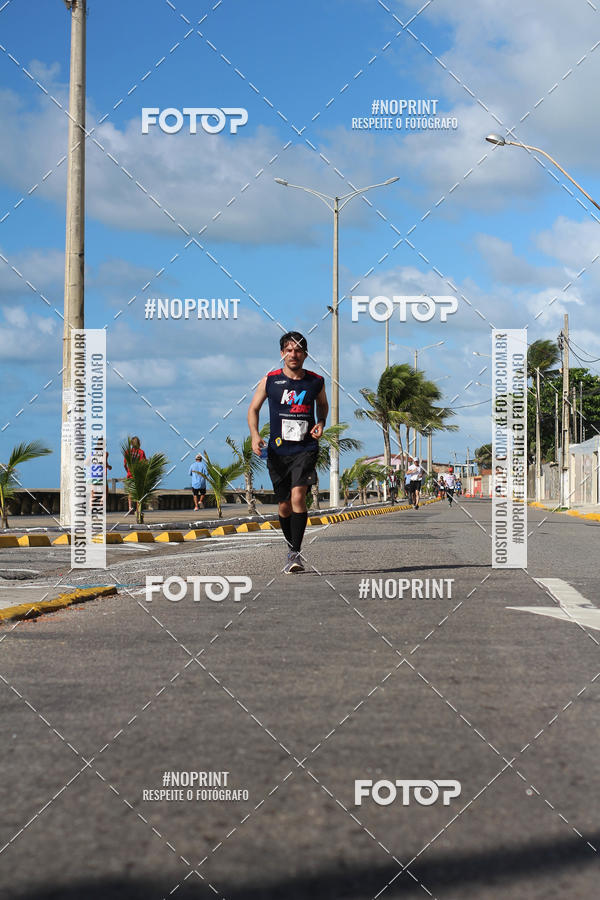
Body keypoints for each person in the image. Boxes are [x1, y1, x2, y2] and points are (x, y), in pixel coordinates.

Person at [248, 331, 328, 574]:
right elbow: (253, 409)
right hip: (278, 451)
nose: (294, 354)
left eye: (299, 350)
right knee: (283, 505)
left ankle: (295, 552)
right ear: (282, 353)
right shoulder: (270, 381)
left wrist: (321, 422)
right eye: (289, 350)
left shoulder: (315, 381)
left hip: (305, 448)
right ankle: (291, 546)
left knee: (298, 498)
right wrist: (255, 435)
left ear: (305, 354)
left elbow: (322, 405)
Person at [124, 436, 146, 514]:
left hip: (130, 475)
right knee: (138, 493)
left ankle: (130, 507)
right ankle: (137, 509)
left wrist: (128, 471)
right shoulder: (141, 452)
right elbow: (143, 464)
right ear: (139, 443)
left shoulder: (127, 452)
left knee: (130, 492)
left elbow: (125, 464)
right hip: (138, 476)